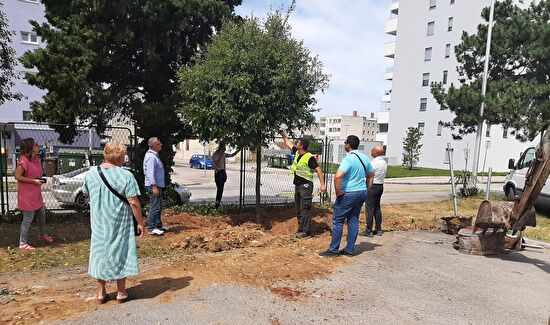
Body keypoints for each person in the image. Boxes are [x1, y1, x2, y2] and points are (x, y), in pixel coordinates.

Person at [82, 142, 146, 304]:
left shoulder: (91, 173)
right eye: (124, 156)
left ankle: (101, 292)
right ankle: (121, 292)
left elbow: (85, 192)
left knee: (99, 252)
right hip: (119, 221)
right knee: (120, 251)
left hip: (98, 222)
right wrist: (140, 222)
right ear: (119, 158)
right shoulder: (126, 176)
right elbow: (133, 201)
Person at [320, 135, 374, 257]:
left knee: (338, 220)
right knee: (353, 220)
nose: (344, 145)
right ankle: (349, 250)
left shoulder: (348, 159)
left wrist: (338, 193)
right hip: (361, 193)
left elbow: (338, 176)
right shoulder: (364, 158)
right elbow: (371, 175)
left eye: (345, 143)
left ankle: (333, 250)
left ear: (348, 144)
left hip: (349, 194)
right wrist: (367, 189)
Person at [279, 130, 327, 238]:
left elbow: (319, 170)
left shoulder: (309, 157)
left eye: (298, 143)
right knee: (298, 209)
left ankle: (305, 231)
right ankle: (301, 229)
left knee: (305, 209)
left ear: (301, 146)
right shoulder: (297, 152)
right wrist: (283, 135)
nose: (296, 144)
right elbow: (288, 143)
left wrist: (323, 185)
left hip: (306, 186)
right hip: (298, 185)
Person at [15, 138, 53, 251]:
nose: (38, 146)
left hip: (36, 194)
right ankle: (22, 243)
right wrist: (33, 181)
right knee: (28, 218)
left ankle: (42, 235)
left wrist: (38, 180)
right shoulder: (23, 160)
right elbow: (17, 176)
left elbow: (33, 174)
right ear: (30, 148)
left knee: (41, 214)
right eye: (36, 145)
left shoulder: (36, 159)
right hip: (27, 195)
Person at [361, 146, 388, 237]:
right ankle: (378, 229)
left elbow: (367, 174)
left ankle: (369, 230)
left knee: (369, 209)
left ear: (376, 153)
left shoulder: (373, 163)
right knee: (377, 208)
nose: (371, 152)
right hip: (380, 186)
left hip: (372, 186)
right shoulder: (384, 162)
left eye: (372, 150)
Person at [143, 137, 167, 236]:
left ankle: (158, 225)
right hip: (154, 185)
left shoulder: (154, 156)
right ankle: (151, 227)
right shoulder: (151, 157)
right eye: (159, 144)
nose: (161, 145)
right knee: (155, 206)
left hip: (157, 185)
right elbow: (150, 173)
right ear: (154, 145)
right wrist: (154, 186)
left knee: (158, 206)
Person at [212, 143, 240, 208]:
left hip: (223, 172)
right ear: (220, 148)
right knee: (219, 189)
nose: (225, 149)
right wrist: (221, 154)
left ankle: (217, 204)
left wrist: (239, 149)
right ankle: (217, 204)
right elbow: (217, 164)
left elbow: (232, 155)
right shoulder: (215, 155)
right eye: (223, 148)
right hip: (218, 173)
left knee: (221, 190)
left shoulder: (224, 154)